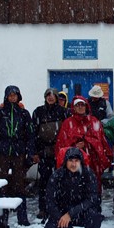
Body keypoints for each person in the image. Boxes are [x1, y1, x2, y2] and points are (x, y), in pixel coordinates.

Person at [40, 148, 102, 228]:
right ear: (65, 162)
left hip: (81, 211)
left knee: (95, 216)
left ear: (81, 161)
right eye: (70, 161)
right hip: (62, 213)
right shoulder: (57, 176)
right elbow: (50, 203)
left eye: (76, 161)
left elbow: (92, 198)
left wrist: (71, 213)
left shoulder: (88, 174)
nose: (73, 164)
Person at [0, 85, 35, 226]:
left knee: (19, 186)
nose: (12, 97)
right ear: (6, 96)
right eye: (10, 95)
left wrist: (30, 154)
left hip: (19, 153)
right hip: (2, 153)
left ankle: (22, 216)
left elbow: (30, 136)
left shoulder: (24, 114)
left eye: (15, 95)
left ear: (19, 96)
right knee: (0, 186)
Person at [55, 96, 113, 193]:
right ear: (74, 107)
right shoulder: (67, 123)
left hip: (92, 164)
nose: (80, 107)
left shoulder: (94, 121)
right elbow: (62, 145)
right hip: (73, 166)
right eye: (78, 105)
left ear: (86, 106)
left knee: (93, 191)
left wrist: (87, 143)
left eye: (82, 105)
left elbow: (101, 143)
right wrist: (74, 148)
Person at [31, 88, 70, 220]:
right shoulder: (38, 112)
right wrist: (35, 152)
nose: (51, 97)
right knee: (44, 182)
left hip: (60, 152)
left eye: (53, 95)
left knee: (61, 181)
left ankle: (60, 207)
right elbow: (33, 134)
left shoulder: (64, 112)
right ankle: (43, 208)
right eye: (48, 95)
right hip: (43, 152)